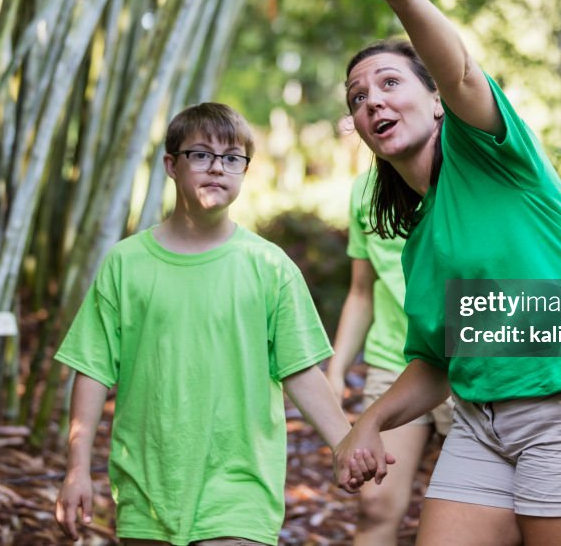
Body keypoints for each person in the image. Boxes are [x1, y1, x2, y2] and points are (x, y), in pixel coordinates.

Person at [332, 0, 561, 546]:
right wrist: (368, 422)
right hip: (484, 422)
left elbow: (460, 74)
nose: (371, 100)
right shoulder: (421, 238)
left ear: (433, 103)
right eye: (357, 96)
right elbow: (436, 361)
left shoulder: (491, 155)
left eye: (390, 82)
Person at [53, 103, 351, 545]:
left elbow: (300, 369)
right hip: (146, 488)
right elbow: (93, 370)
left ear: (245, 170)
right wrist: (77, 469)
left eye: (232, 157)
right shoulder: (126, 263)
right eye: (201, 154)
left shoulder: (269, 266)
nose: (218, 168)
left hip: (240, 489)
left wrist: (346, 442)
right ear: (172, 165)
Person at [326, 168, 453, 545]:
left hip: (464, 363)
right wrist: (336, 369)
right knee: (375, 504)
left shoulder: (466, 171)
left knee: (469, 518)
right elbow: (362, 291)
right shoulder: (364, 192)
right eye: (359, 103)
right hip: (393, 362)